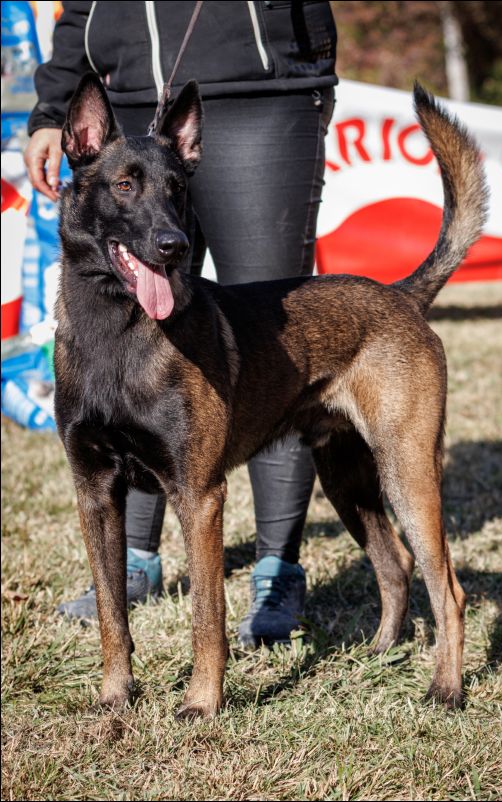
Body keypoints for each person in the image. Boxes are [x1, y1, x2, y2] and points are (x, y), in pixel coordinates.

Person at [25, 0, 337, 646]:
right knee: (131, 348)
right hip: (127, 88)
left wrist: (302, 60)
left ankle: (276, 571)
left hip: (260, 88)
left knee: (272, 343)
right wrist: (54, 107)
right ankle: (136, 559)